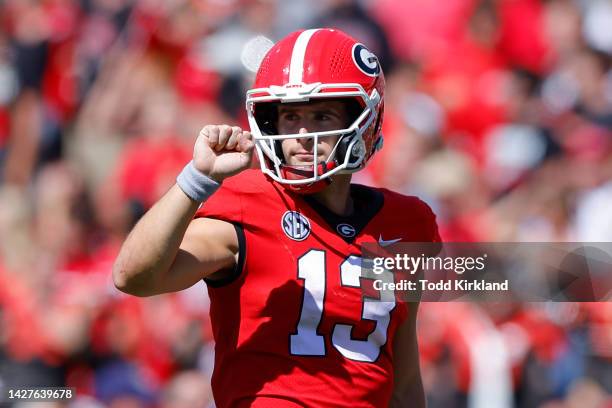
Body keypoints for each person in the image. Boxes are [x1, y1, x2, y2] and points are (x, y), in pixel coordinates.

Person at [113, 28, 439, 408]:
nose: (301, 134)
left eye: (320, 115)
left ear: (365, 122)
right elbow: (133, 277)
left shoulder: (407, 222)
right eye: (289, 117)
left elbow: (403, 378)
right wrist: (196, 179)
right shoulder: (246, 202)